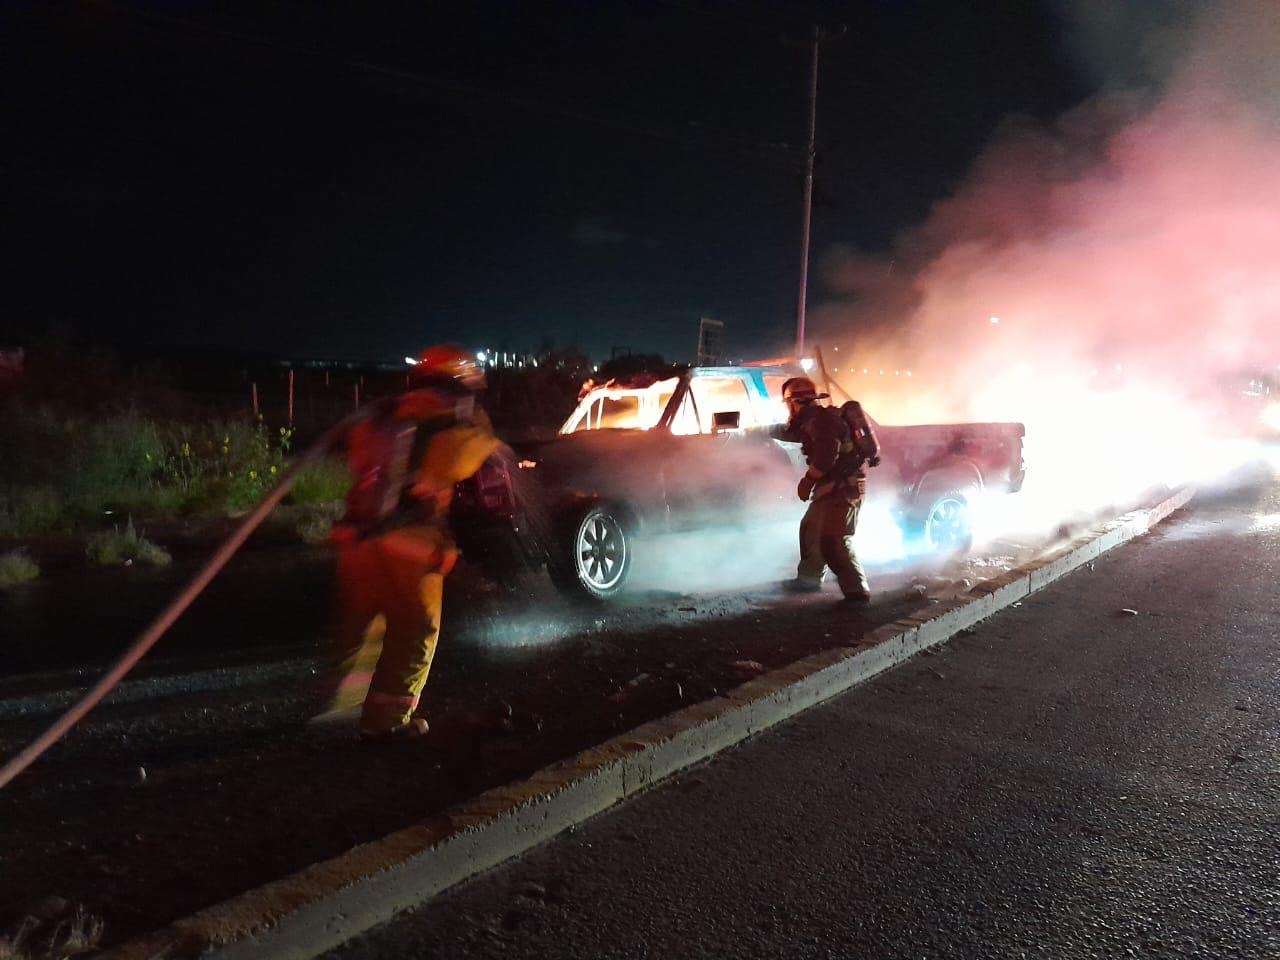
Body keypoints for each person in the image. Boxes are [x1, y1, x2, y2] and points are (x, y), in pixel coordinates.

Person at [316, 344, 500, 740]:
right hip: (411, 544)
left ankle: (335, 709)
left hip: (357, 541)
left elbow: (358, 464)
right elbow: (462, 461)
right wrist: (486, 438)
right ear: (461, 383)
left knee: (361, 624)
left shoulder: (382, 417)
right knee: (415, 631)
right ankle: (387, 722)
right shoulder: (452, 421)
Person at [778, 376, 872, 603]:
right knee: (810, 528)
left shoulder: (820, 421)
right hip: (832, 486)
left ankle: (857, 593)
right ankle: (808, 580)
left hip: (844, 488)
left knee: (835, 540)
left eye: (788, 403)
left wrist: (807, 481)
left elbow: (826, 457)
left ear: (794, 402)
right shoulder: (816, 419)